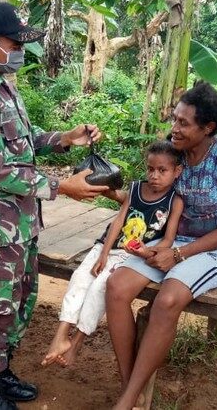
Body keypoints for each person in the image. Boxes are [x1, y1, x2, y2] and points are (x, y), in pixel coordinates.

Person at [0, 1, 109, 409]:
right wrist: (64, 187)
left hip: (20, 220)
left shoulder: (3, 87)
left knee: (18, 299)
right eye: (14, 41)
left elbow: (23, 138)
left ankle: (1, 372)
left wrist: (65, 137)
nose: (20, 48)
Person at [106, 81, 217, 409]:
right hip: (171, 242)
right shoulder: (174, 156)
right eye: (175, 119)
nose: (174, 128)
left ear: (208, 127)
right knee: (116, 287)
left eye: (183, 123)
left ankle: (127, 400)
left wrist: (180, 254)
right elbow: (147, 195)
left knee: (169, 298)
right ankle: (132, 387)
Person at [42, 141, 184, 368]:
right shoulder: (137, 188)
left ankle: (76, 342)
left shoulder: (174, 201)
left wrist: (146, 251)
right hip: (107, 246)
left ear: (177, 171)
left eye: (162, 170)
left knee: (100, 288)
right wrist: (103, 254)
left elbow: (168, 239)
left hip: (131, 256)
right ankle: (61, 334)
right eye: (150, 169)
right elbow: (118, 221)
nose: (154, 175)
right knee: (80, 278)